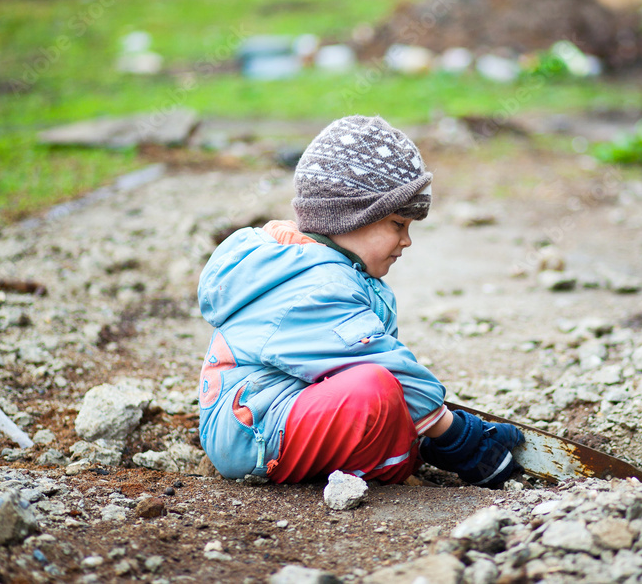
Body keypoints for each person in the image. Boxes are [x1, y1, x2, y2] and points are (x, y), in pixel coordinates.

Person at [196, 115, 524, 488]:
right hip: (253, 431)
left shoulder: (334, 270)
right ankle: (397, 460)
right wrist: (458, 436)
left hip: (276, 416)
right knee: (376, 388)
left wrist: (430, 418)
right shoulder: (314, 286)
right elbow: (381, 366)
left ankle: (409, 442)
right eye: (398, 224)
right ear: (350, 216)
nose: (407, 241)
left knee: (385, 390)